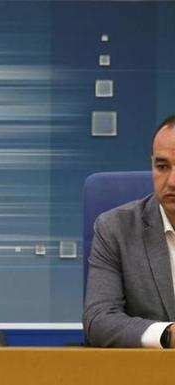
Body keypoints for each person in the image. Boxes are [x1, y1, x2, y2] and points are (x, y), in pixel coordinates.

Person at [84, 115, 175, 348]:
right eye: (162, 167)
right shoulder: (116, 229)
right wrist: (167, 335)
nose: (172, 181)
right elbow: (99, 320)